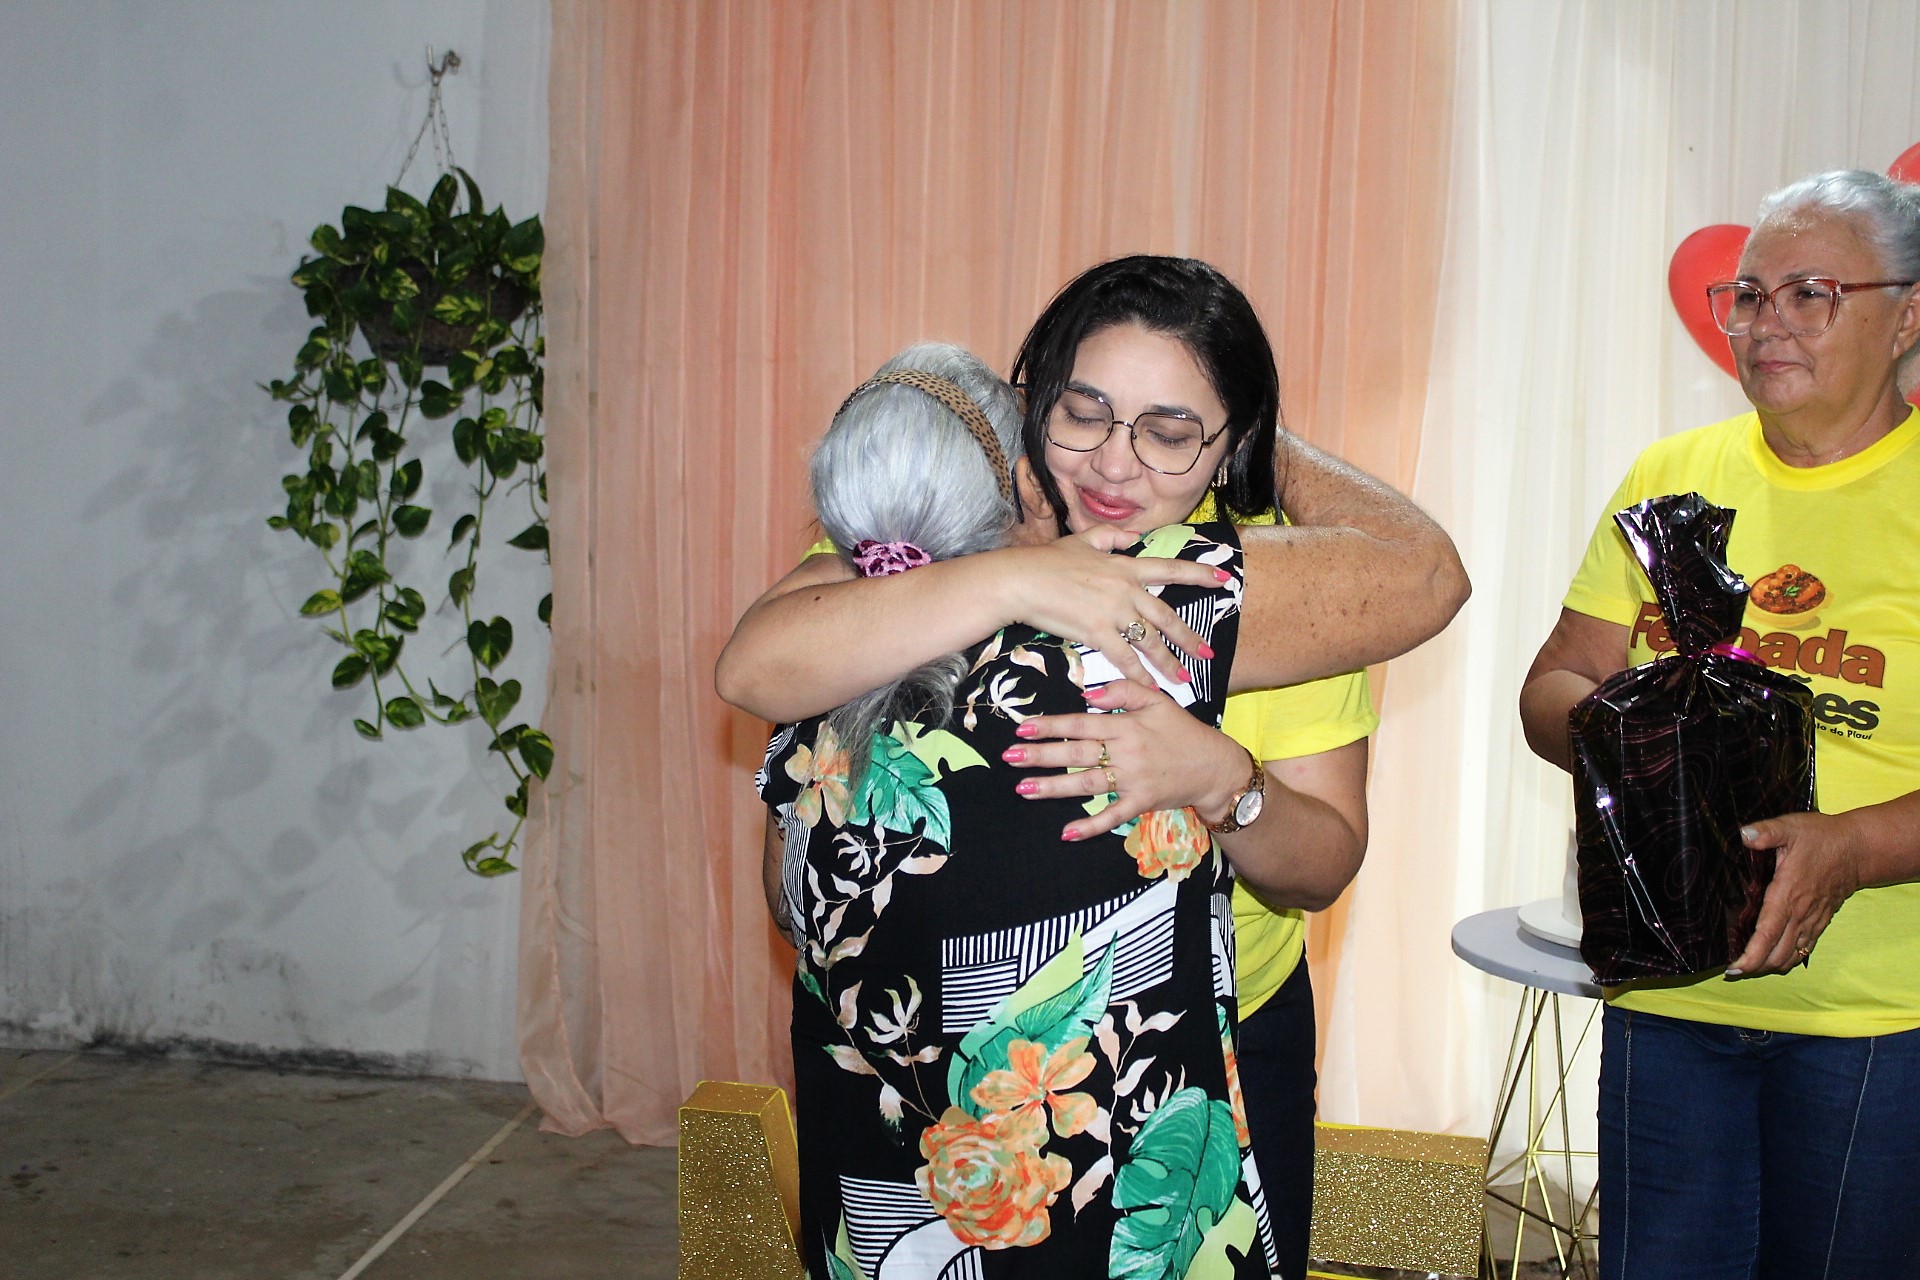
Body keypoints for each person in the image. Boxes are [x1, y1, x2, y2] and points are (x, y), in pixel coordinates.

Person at [721, 256, 1468, 1280]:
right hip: (901, 1067)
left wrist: (1224, 780)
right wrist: (1019, 571)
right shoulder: (927, 529)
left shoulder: (1248, 585)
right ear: (1032, 404)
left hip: (1195, 1049)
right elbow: (758, 663)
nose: (1116, 464)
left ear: (1228, 442)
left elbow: (1323, 860)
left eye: (1167, 431)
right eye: (1085, 412)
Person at [761, 340, 1273, 1276]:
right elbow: (1424, 574)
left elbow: (784, 899)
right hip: (1089, 1172)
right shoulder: (1147, 602)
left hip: (892, 1195)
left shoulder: (820, 647)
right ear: (1022, 491)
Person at [1518, 170, 1920, 1276]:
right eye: (1747, 296)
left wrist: (1856, 844)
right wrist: (1632, 736)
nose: (1767, 323)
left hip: (1876, 1023)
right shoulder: (1673, 477)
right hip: (1670, 990)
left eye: (1812, 292)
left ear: (1910, 316)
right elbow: (1554, 682)